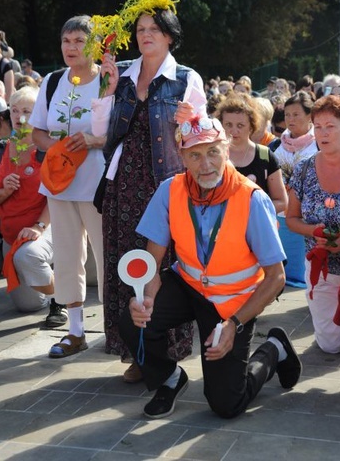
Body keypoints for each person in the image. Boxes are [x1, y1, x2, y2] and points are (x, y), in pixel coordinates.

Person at [118, 114, 302, 420]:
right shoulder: (170, 189)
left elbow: (276, 278)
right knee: (134, 321)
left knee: (226, 404)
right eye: (195, 155)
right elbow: (155, 253)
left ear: (226, 150)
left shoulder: (252, 199)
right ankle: (170, 379)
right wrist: (147, 298)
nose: (206, 165)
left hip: (232, 301)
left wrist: (235, 324)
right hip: (188, 284)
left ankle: (274, 348)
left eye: (213, 152)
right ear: (182, 157)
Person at [97, 0, 206, 382]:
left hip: (165, 187)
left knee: (163, 267)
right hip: (122, 185)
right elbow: (101, 135)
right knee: (124, 266)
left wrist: (192, 120)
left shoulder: (186, 78)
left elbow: (202, 139)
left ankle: (166, 351)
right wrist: (107, 95)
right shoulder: (121, 74)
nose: (146, 35)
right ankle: (134, 354)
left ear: (169, 36)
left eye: (154, 29)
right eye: (141, 29)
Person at [30, 15, 106, 357]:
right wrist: (57, 147)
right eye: (66, 41)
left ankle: (114, 330)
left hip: (99, 184)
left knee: (107, 257)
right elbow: (37, 133)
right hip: (59, 185)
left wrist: (91, 140)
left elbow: (120, 133)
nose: (71, 47)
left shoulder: (108, 82)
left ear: (93, 45)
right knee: (66, 257)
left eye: (79, 41)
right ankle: (75, 332)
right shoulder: (52, 81)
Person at [0, 86, 66, 324]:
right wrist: (4, 191)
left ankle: (62, 297)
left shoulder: (47, 148)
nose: (18, 116)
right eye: (14, 110)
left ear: (39, 113)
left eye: (26, 110)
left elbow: (57, 196)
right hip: (10, 238)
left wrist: (38, 227)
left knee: (28, 258)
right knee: (28, 306)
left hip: (43, 228)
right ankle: (55, 277)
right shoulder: (3, 148)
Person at [286, 95, 340, 354]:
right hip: (321, 269)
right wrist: (314, 231)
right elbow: (291, 219)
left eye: (330, 126)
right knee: (331, 346)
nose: (323, 133)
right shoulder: (303, 169)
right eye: (317, 126)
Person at [215, 93, 287, 214]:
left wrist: (251, 211)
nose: (234, 131)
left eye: (240, 125)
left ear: (251, 126)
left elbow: (282, 201)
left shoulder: (265, 156)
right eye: (228, 125)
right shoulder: (213, 156)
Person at [274, 91, 318, 288]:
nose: (290, 119)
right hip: (282, 215)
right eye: (287, 115)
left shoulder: (318, 144)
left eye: (296, 114)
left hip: (307, 215)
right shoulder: (278, 145)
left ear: (309, 116)